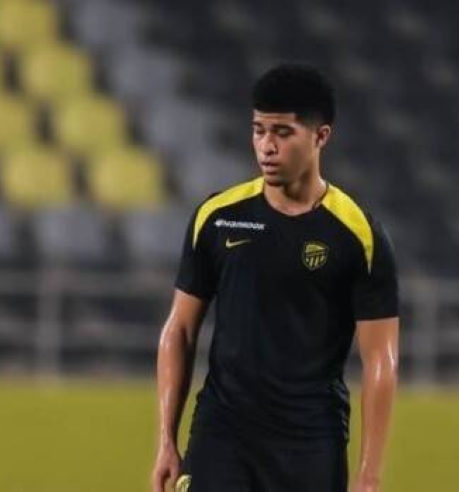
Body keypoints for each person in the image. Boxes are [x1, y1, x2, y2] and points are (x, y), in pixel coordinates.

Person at [152, 63, 400, 492]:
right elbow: (180, 330)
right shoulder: (217, 218)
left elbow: (381, 359)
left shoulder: (358, 235)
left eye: (282, 133)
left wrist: (369, 474)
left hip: (311, 443)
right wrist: (166, 440)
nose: (266, 146)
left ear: (320, 136)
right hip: (222, 434)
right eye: (259, 130)